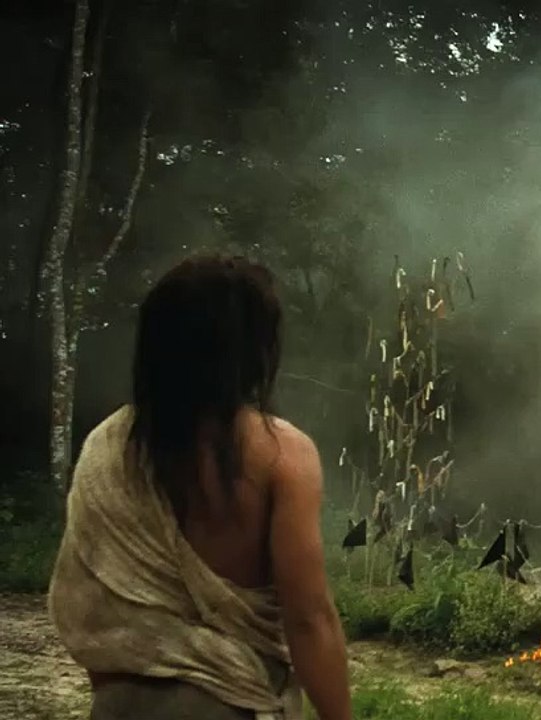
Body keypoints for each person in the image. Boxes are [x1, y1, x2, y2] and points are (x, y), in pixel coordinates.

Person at [47, 254, 352, 720]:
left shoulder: (108, 447)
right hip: (234, 703)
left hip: (120, 705)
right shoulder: (283, 455)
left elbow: (95, 607)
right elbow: (309, 620)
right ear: (253, 350)